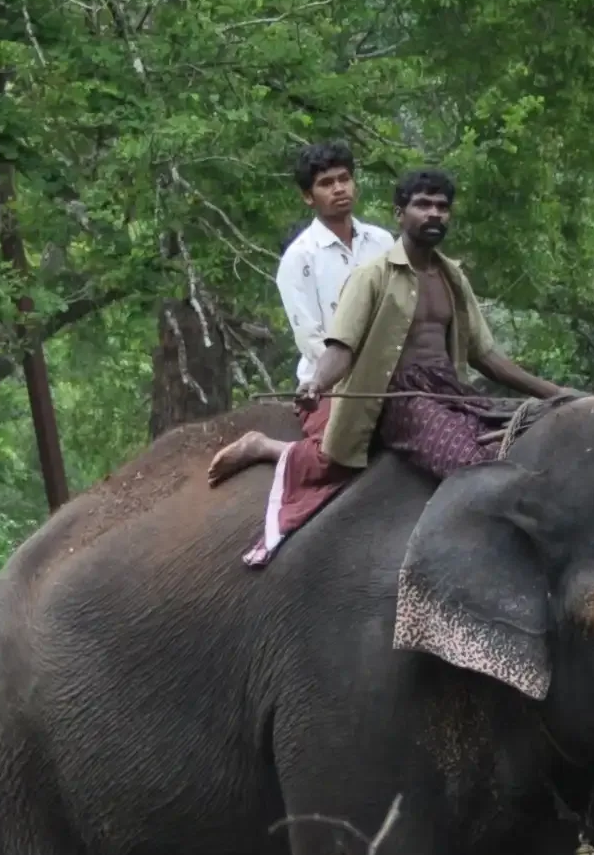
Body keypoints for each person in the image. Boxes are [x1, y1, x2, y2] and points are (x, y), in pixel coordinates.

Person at [209, 168, 572, 565]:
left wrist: (561, 396)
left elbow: (487, 357)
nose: (433, 214)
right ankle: (266, 448)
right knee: (476, 468)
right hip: (399, 396)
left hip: (450, 392)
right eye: (422, 205)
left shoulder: (453, 277)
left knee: (529, 436)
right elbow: (341, 348)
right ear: (400, 213)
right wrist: (317, 382)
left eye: (442, 207)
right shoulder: (372, 276)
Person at [274, 143, 394, 390]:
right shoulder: (299, 257)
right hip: (328, 385)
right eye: (327, 183)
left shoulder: (382, 242)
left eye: (344, 179)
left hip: (390, 376)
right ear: (308, 197)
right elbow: (310, 339)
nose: (339, 189)